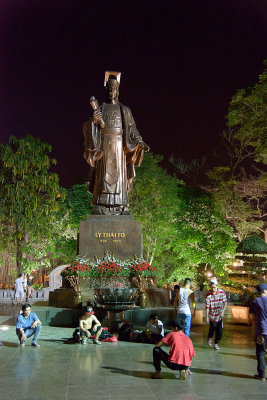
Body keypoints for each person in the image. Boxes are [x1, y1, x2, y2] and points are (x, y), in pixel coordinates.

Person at [83, 71, 149, 215]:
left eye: (114, 89)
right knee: (103, 177)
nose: (112, 91)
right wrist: (94, 122)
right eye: (110, 89)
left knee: (119, 178)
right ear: (107, 90)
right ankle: (100, 205)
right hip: (104, 147)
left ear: (118, 90)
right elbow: (89, 127)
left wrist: (140, 141)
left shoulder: (125, 110)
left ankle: (121, 206)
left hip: (119, 148)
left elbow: (132, 129)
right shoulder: (100, 109)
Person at [249, 283, 267, 380]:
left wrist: (253, 335)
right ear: (264, 291)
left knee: (260, 353)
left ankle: (261, 375)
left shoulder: (254, 302)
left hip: (261, 331)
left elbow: (252, 318)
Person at [206, 278, 227, 350]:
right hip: (212, 315)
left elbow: (225, 303)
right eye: (212, 288)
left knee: (220, 331)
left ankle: (216, 343)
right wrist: (207, 317)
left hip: (219, 314)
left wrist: (223, 312)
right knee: (213, 327)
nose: (213, 289)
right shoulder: (208, 295)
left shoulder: (222, 293)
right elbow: (207, 307)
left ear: (217, 286)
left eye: (214, 287)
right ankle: (210, 337)